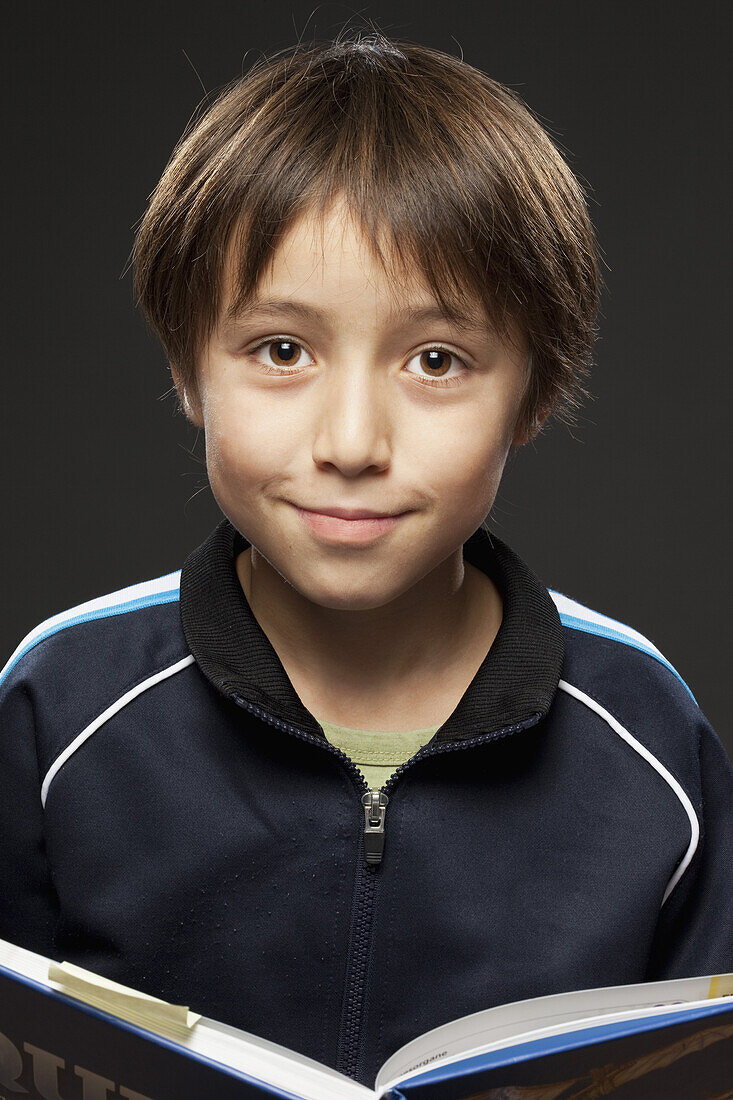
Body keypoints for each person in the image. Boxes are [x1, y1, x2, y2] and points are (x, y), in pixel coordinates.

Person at [1, 30, 731, 1089]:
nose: (350, 440)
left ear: (529, 393)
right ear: (188, 367)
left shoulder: (646, 730)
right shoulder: (58, 704)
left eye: (436, 360)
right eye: (281, 350)